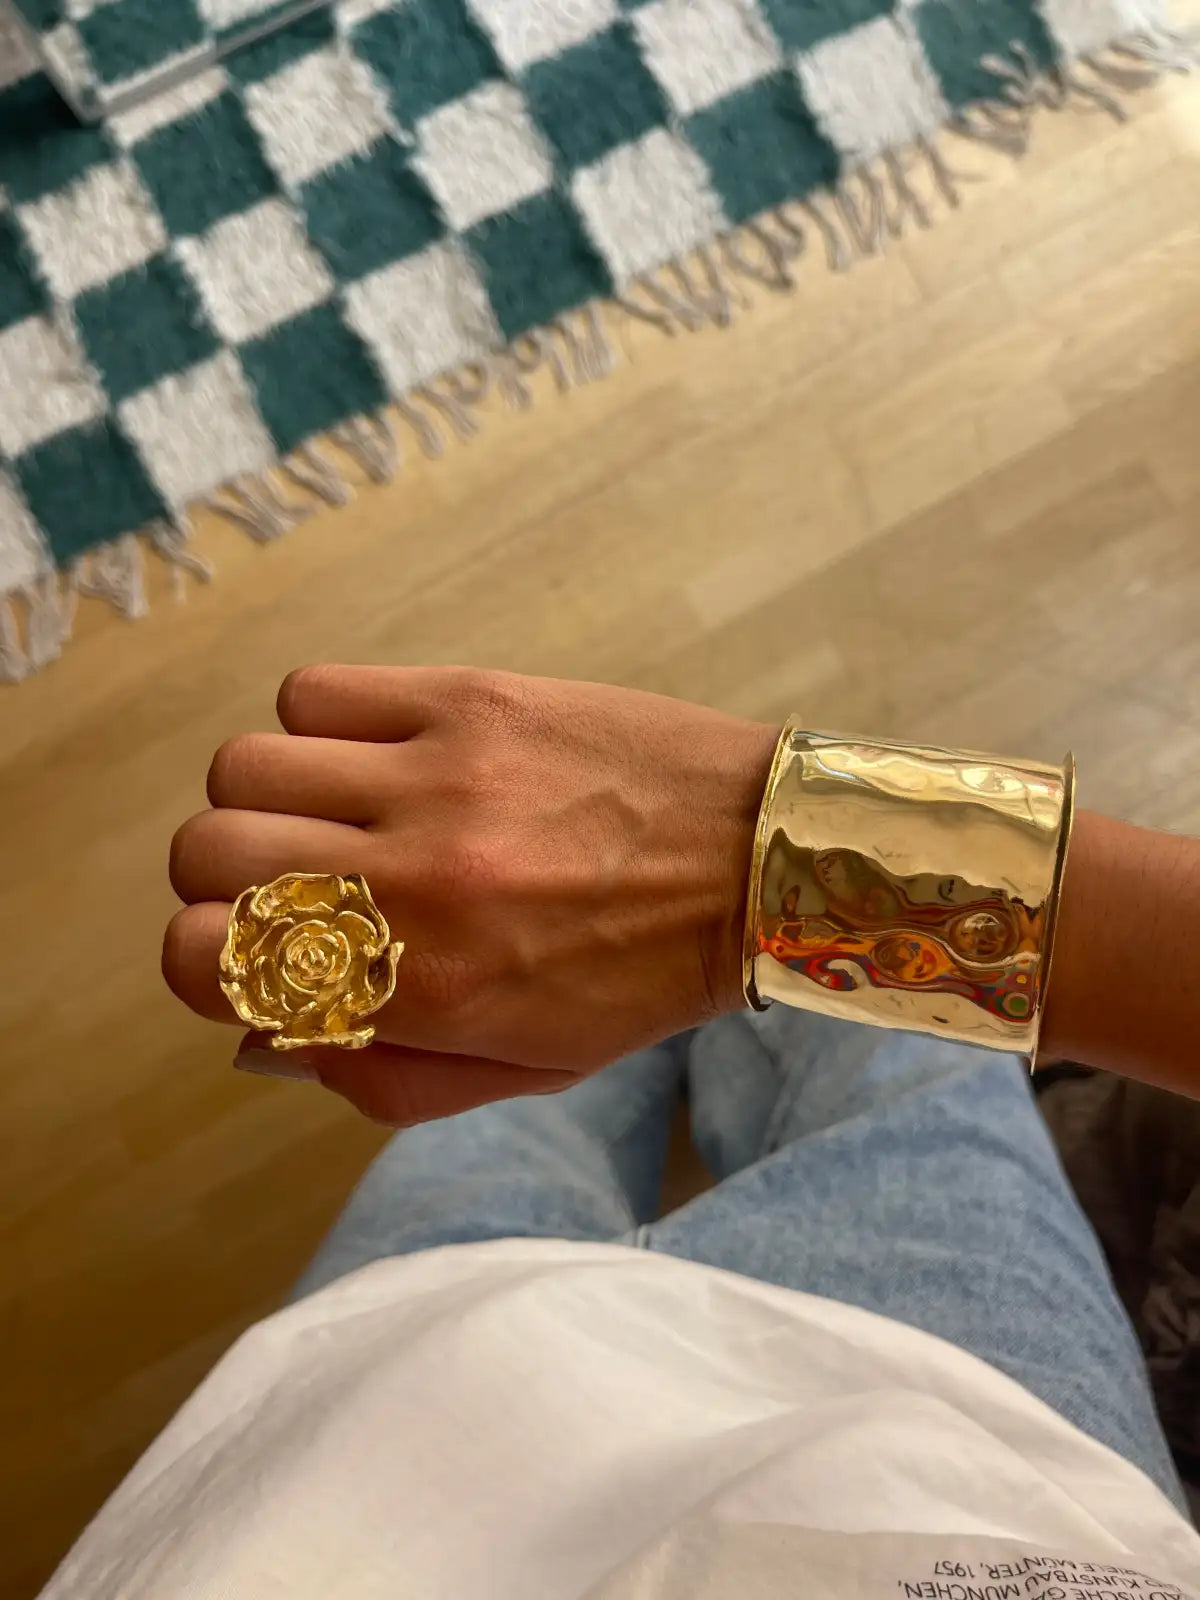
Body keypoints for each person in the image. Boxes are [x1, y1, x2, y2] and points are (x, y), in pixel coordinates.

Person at [44, 667, 1200, 1597]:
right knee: (833, 1027)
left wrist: (750, 875)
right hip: (993, 1442)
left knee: (512, 1063)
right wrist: (748, 866)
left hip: (379, 1413)